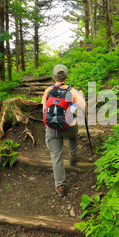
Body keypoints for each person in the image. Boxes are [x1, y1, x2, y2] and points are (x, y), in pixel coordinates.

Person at [42, 64, 86, 197]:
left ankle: (60, 186)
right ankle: (73, 156)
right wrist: (81, 96)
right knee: (74, 133)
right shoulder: (72, 91)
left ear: (54, 76)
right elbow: (83, 108)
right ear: (66, 76)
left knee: (56, 156)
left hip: (51, 129)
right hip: (68, 127)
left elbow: (44, 111)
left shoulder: (47, 91)